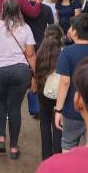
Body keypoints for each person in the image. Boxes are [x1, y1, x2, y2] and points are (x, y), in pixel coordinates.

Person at [0, 0, 36, 159]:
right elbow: (30, 54)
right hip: (20, 71)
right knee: (14, 108)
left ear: (3, 10)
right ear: (18, 10)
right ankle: (13, 146)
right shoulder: (25, 28)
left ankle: (1, 137)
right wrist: (36, 73)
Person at [54, 14, 88, 150]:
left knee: (68, 144)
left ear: (74, 31)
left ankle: (69, 172)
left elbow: (64, 82)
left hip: (71, 110)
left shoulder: (67, 53)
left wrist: (58, 110)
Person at [34, 25, 64, 161]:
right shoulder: (64, 53)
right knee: (57, 123)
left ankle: (46, 156)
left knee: (44, 123)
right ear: (60, 37)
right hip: (60, 94)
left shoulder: (40, 53)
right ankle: (57, 153)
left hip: (43, 92)